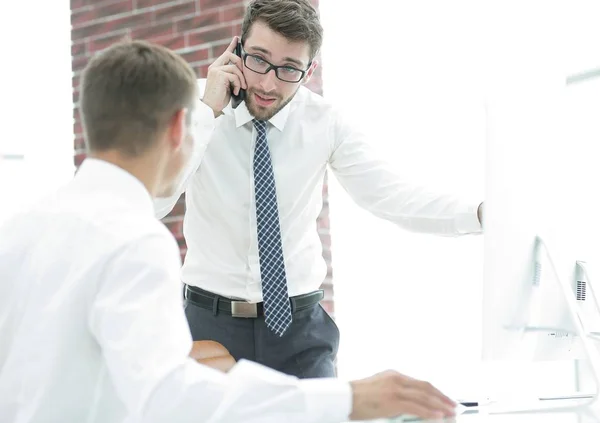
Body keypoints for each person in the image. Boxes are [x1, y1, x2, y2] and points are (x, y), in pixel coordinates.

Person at [0, 39, 458, 422]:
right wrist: (351, 398)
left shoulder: (21, 228)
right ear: (183, 126)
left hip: (297, 326)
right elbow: (169, 398)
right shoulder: (134, 241)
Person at [155, 0, 484, 380]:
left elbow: (390, 193)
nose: (267, 83)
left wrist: (483, 214)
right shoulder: (193, 106)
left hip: (299, 332)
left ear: (308, 71)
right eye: (258, 59)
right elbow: (154, 201)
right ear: (237, 49)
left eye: (289, 69)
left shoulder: (325, 122)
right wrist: (206, 114)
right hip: (209, 330)